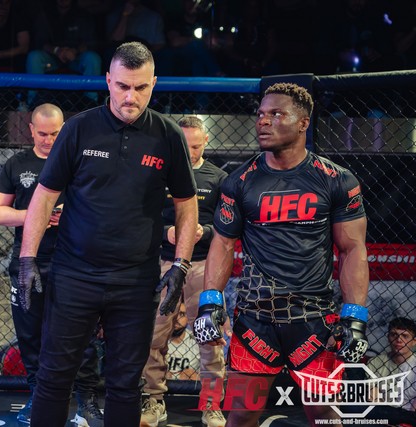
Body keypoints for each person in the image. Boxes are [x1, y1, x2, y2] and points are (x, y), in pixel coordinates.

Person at [18, 41, 199, 426]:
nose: (130, 97)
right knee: (54, 376)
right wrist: (28, 258)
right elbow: (45, 196)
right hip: (74, 273)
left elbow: (186, 203)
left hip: (136, 279)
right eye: (122, 86)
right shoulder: (79, 128)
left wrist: (181, 265)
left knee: (125, 382)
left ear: (154, 83)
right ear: (107, 81)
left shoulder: (168, 135)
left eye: (140, 87)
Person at [194, 82, 370, 426]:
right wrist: (210, 302)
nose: (263, 121)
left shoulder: (336, 179)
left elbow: (352, 248)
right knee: (242, 413)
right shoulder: (239, 181)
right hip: (255, 320)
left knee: (323, 412)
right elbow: (223, 243)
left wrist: (354, 316)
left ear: (303, 122)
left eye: (276, 114)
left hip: (314, 319)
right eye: (261, 114)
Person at [0, 103, 103, 426]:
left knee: (83, 334)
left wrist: (70, 217)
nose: (48, 140)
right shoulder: (17, 164)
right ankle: (37, 397)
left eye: (55, 133)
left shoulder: (77, 160)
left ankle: (86, 400)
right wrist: (35, 216)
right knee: (31, 334)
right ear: (31, 130)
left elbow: (100, 209)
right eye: (42, 133)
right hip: (29, 260)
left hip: (74, 261)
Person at [140, 115, 227, 427]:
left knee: (209, 336)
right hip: (162, 263)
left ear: (206, 142)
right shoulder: (159, 173)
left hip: (203, 267)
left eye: (195, 146)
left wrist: (206, 231)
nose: (189, 152)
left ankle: (212, 406)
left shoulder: (218, 178)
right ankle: (153, 400)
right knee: (153, 336)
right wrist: (166, 233)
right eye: (183, 145)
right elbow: (141, 218)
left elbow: (229, 227)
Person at [26, 0, 102, 106]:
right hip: (52, 58)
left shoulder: (82, 15)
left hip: (76, 58)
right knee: (34, 57)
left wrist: (74, 51)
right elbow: (40, 42)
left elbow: (90, 43)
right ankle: (32, 104)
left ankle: (91, 105)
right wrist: (57, 50)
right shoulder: (45, 14)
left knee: (92, 58)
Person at [365, 317, 416, 424]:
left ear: (414, 341)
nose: (399, 340)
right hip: (381, 413)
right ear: (388, 337)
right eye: (394, 334)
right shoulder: (375, 362)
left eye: (405, 336)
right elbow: (373, 399)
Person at [0, 0, 31, 72]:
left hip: (15, 66)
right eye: (0, 2)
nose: (4, 6)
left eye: (7, 3)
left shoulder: (18, 17)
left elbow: (24, 48)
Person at [165, 303, 200, 381]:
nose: (177, 318)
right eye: (173, 313)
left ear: (188, 318)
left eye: (182, 314)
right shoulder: (157, 339)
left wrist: (198, 375)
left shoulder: (197, 341)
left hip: (190, 387)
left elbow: (214, 369)